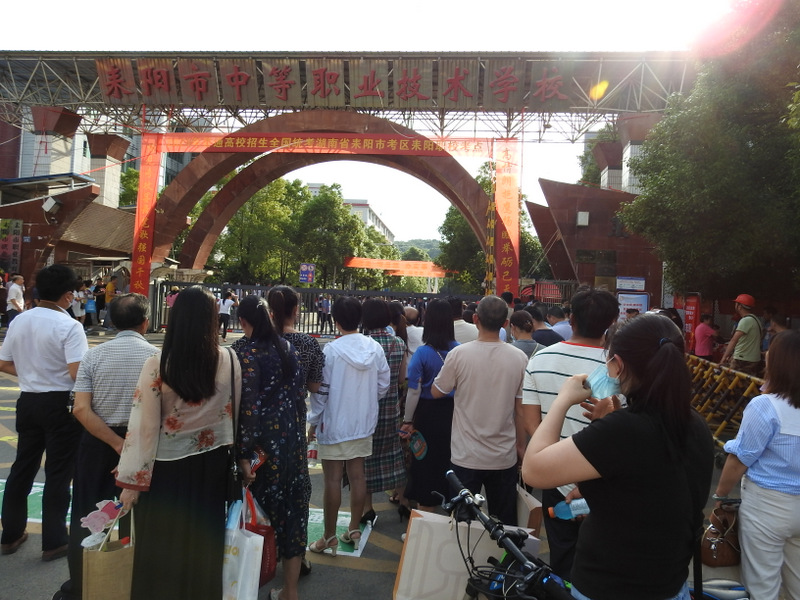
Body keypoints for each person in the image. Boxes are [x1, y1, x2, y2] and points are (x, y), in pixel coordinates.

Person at [522, 313, 714, 600]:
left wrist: (563, 399)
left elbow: (533, 470)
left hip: (610, 585)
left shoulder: (624, 429)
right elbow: (647, 488)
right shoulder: (694, 423)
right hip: (670, 584)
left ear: (619, 364)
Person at [117, 286, 242, 600]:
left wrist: (132, 481)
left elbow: (144, 428)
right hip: (212, 465)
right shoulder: (229, 358)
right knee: (204, 542)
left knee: (163, 545)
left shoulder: (158, 363)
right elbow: (236, 413)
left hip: (166, 469)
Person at [54, 293, 158, 600]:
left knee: (88, 515)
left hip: (98, 442)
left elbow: (80, 409)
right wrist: (128, 448)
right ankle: (136, 585)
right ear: (145, 322)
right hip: (143, 444)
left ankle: (82, 585)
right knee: (139, 517)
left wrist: (115, 443)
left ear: (111, 321)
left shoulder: (93, 356)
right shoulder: (157, 357)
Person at [521, 288, 619, 578]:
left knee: (562, 556)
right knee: (603, 562)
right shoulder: (619, 366)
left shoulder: (540, 360)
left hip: (556, 478)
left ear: (571, 319)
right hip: (605, 480)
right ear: (612, 322)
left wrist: (558, 463)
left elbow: (532, 424)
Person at [0, 265, 88, 561]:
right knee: (59, 472)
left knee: (23, 466)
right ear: (68, 295)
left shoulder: (20, 320)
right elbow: (77, 373)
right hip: (60, 403)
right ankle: (53, 541)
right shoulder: (70, 326)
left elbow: (4, 362)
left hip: (28, 401)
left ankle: (11, 535)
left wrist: (30, 373)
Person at [713, 329, 800, 600]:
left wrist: (720, 496)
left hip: (768, 507)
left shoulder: (765, 406)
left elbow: (740, 459)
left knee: (762, 585)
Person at [233, 295, 309, 600]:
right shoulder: (288, 348)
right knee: (293, 514)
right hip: (292, 442)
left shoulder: (245, 353)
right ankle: (290, 591)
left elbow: (249, 409)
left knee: (256, 517)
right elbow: (299, 397)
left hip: (262, 449)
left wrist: (243, 456)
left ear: (242, 321)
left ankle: (247, 587)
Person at [432, 295, 528, 525]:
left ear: (475, 319)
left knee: (463, 524)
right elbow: (520, 410)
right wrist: (521, 447)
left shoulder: (459, 354)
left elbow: (437, 391)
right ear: (506, 323)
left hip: (466, 455)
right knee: (505, 524)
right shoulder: (519, 358)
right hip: (503, 455)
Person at [308, 296, 389, 555]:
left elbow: (321, 392)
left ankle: (329, 536)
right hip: (363, 422)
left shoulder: (331, 351)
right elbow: (383, 385)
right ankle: (354, 527)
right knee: (358, 476)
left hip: (334, 423)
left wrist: (313, 421)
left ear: (336, 321)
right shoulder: (374, 348)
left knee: (332, 479)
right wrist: (366, 401)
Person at [267, 284, 323, 576]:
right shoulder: (308, 343)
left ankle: (262, 553)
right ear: (296, 310)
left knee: (262, 489)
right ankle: (296, 555)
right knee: (295, 492)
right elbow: (315, 386)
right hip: (292, 426)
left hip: (258, 430)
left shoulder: (251, 343)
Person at [401, 299, 459, 511]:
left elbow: (414, 391)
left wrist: (408, 420)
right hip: (454, 413)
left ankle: (426, 511)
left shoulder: (422, 353)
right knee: (449, 460)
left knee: (425, 463)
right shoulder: (460, 350)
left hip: (427, 414)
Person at [359, 299, 408, 524]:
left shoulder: (363, 344)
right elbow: (401, 378)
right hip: (390, 411)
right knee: (394, 455)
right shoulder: (398, 343)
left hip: (366, 412)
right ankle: (404, 501)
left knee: (365, 459)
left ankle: (367, 508)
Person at [720, 293, 763, 376]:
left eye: (736, 303)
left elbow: (734, 340)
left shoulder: (745, 320)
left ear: (739, 306)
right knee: (747, 382)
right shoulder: (756, 319)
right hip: (754, 358)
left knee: (733, 381)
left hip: (742, 359)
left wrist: (724, 357)